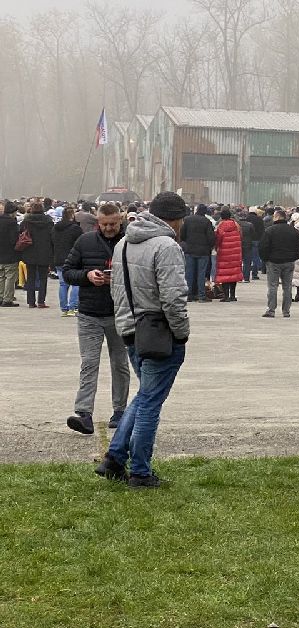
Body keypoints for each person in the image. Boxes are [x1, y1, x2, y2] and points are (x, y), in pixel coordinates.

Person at [95, 191, 191, 488]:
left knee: (145, 394)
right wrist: (182, 331)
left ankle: (114, 457)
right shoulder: (166, 245)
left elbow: (117, 290)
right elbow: (173, 297)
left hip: (130, 329)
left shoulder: (124, 243)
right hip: (159, 333)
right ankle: (139, 470)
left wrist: (125, 323)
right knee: (151, 401)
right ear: (174, 220)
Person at [62, 203, 129, 433]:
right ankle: (83, 414)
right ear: (98, 222)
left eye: (113, 224)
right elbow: (68, 271)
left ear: (120, 220)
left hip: (119, 313)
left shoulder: (130, 241)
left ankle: (120, 411)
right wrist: (88, 275)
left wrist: (118, 279)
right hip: (89, 313)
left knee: (120, 364)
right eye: (104, 224)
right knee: (89, 364)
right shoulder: (85, 241)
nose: (109, 228)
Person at [258, 208, 299, 319]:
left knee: (272, 286)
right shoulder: (293, 231)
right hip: (289, 261)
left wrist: (266, 259)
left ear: (277, 217)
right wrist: (294, 257)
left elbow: (263, 246)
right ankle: (286, 311)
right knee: (287, 287)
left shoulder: (270, 230)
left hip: (273, 262)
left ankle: (271, 310)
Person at [19, 200, 55, 309]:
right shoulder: (49, 221)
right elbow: (52, 237)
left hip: (29, 251)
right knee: (43, 278)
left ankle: (31, 302)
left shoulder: (26, 221)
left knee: (30, 277)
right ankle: (41, 301)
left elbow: (20, 232)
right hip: (44, 251)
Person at [52, 206, 84, 316]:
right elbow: (81, 244)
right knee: (75, 283)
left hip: (58, 258)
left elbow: (52, 242)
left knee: (63, 284)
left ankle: (64, 308)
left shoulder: (55, 228)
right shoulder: (76, 229)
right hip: (72, 259)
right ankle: (73, 307)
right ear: (72, 215)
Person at [179, 203, 214, 302]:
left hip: (189, 250)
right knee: (201, 274)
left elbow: (182, 234)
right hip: (203, 252)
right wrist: (209, 247)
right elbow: (211, 237)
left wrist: (186, 243)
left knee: (189, 273)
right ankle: (201, 296)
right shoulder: (207, 222)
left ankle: (189, 295)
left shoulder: (187, 220)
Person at [213, 210, 243, 302]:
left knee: (225, 274)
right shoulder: (236, 225)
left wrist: (216, 247)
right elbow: (241, 236)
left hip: (224, 252)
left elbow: (218, 238)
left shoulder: (221, 225)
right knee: (233, 273)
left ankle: (226, 296)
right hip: (235, 252)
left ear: (221, 217)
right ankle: (233, 295)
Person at [0, 200, 19, 307]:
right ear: (13, 212)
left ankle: (0, 296)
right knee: (10, 277)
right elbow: (13, 240)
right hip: (9, 254)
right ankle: (7, 299)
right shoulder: (12, 222)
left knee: (1, 277)